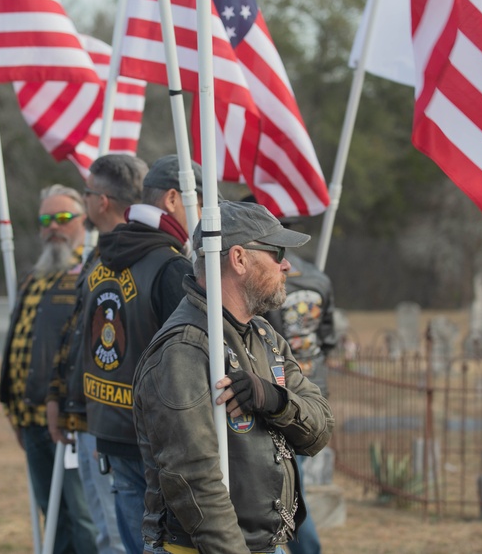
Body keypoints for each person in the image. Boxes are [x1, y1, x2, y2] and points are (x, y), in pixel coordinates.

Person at [133, 200, 334, 554]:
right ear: (239, 258)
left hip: (267, 545)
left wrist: (276, 401)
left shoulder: (264, 335)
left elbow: (320, 429)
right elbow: (194, 481)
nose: (286, 264)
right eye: (277, 251)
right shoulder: (184, 349)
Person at [46, 153, 148, 554]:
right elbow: (77, 336)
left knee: (119, 536)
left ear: (101, 201)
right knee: (108, 533)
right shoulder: (98, 255)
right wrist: (62, 398)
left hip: (116, 421)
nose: (85, 201)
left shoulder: (142, 259)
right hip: (90, 414)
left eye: (87, 193)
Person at [0, 184, 99, 554]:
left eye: (62, 218)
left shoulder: (91, 273)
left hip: (68, 421)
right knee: (52, 514)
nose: (53, 227)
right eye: (46, 220)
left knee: (83, 516)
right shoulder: (32, 278)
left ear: (83, 221)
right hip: (29, 418)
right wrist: (11, 407)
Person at [263, 237, 336, 554]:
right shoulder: (319, 278)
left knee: (294, 486)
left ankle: (308, 548)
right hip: (312, 383)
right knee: (295, 478)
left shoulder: (267, 278)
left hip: (281, 387)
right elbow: (328, 338)